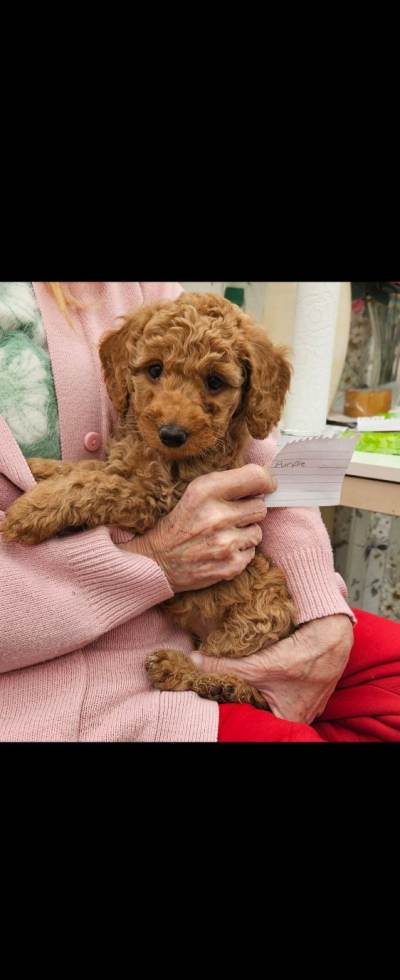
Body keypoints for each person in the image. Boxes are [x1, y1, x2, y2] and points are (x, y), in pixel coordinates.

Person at [0, 281, 399, 742]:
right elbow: (140, 495)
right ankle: (229, 683)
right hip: (69, 670)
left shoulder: (141, 290)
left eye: (214, 383)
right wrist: (153, 558)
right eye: (154, 371)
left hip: (214, 611)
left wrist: (321, 612)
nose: (174, 415)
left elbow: (262, 460)